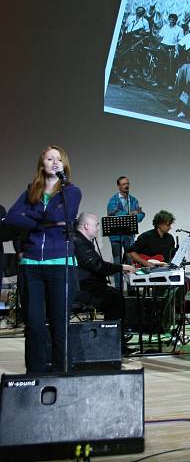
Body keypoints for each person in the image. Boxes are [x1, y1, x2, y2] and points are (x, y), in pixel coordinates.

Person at [6, 145, 82, 373]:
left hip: (60, 264)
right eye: (49, 159)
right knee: (34, 324)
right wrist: (41, 222)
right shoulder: (31, 190)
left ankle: (62, 371)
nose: (54, 162)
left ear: (64, 165)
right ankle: (36, 372)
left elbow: (62, 217)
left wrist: (30, 216)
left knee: (60, 324)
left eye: (59, 159)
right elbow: (11, 216)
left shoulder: (71, 191)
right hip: (31, 264)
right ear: (42, 164)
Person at [73, 212, 135, 321]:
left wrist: (120, 268)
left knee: (114, 295)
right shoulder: (80, 243)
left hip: (85, 285)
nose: (98, 228)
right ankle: (112, 334)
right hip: (83, 289)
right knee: (115, 298)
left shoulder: (81, 240)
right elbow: (98, 266)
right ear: (86, 226)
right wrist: (121, 267)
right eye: (96, 225)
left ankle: (114, 332)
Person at [107, 176, 145, 288]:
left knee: (130, 262)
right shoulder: (113, 200)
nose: (126, 186)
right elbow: (114, 214)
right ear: (119, 186)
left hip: (129, 235)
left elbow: (141, 214)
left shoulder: (133, 200)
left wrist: (133, 215)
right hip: (116, 237)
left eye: (127, 183)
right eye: (123, 184)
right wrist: (131, 214)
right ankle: (118, 289)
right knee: (118, 263)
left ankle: (131, 288)